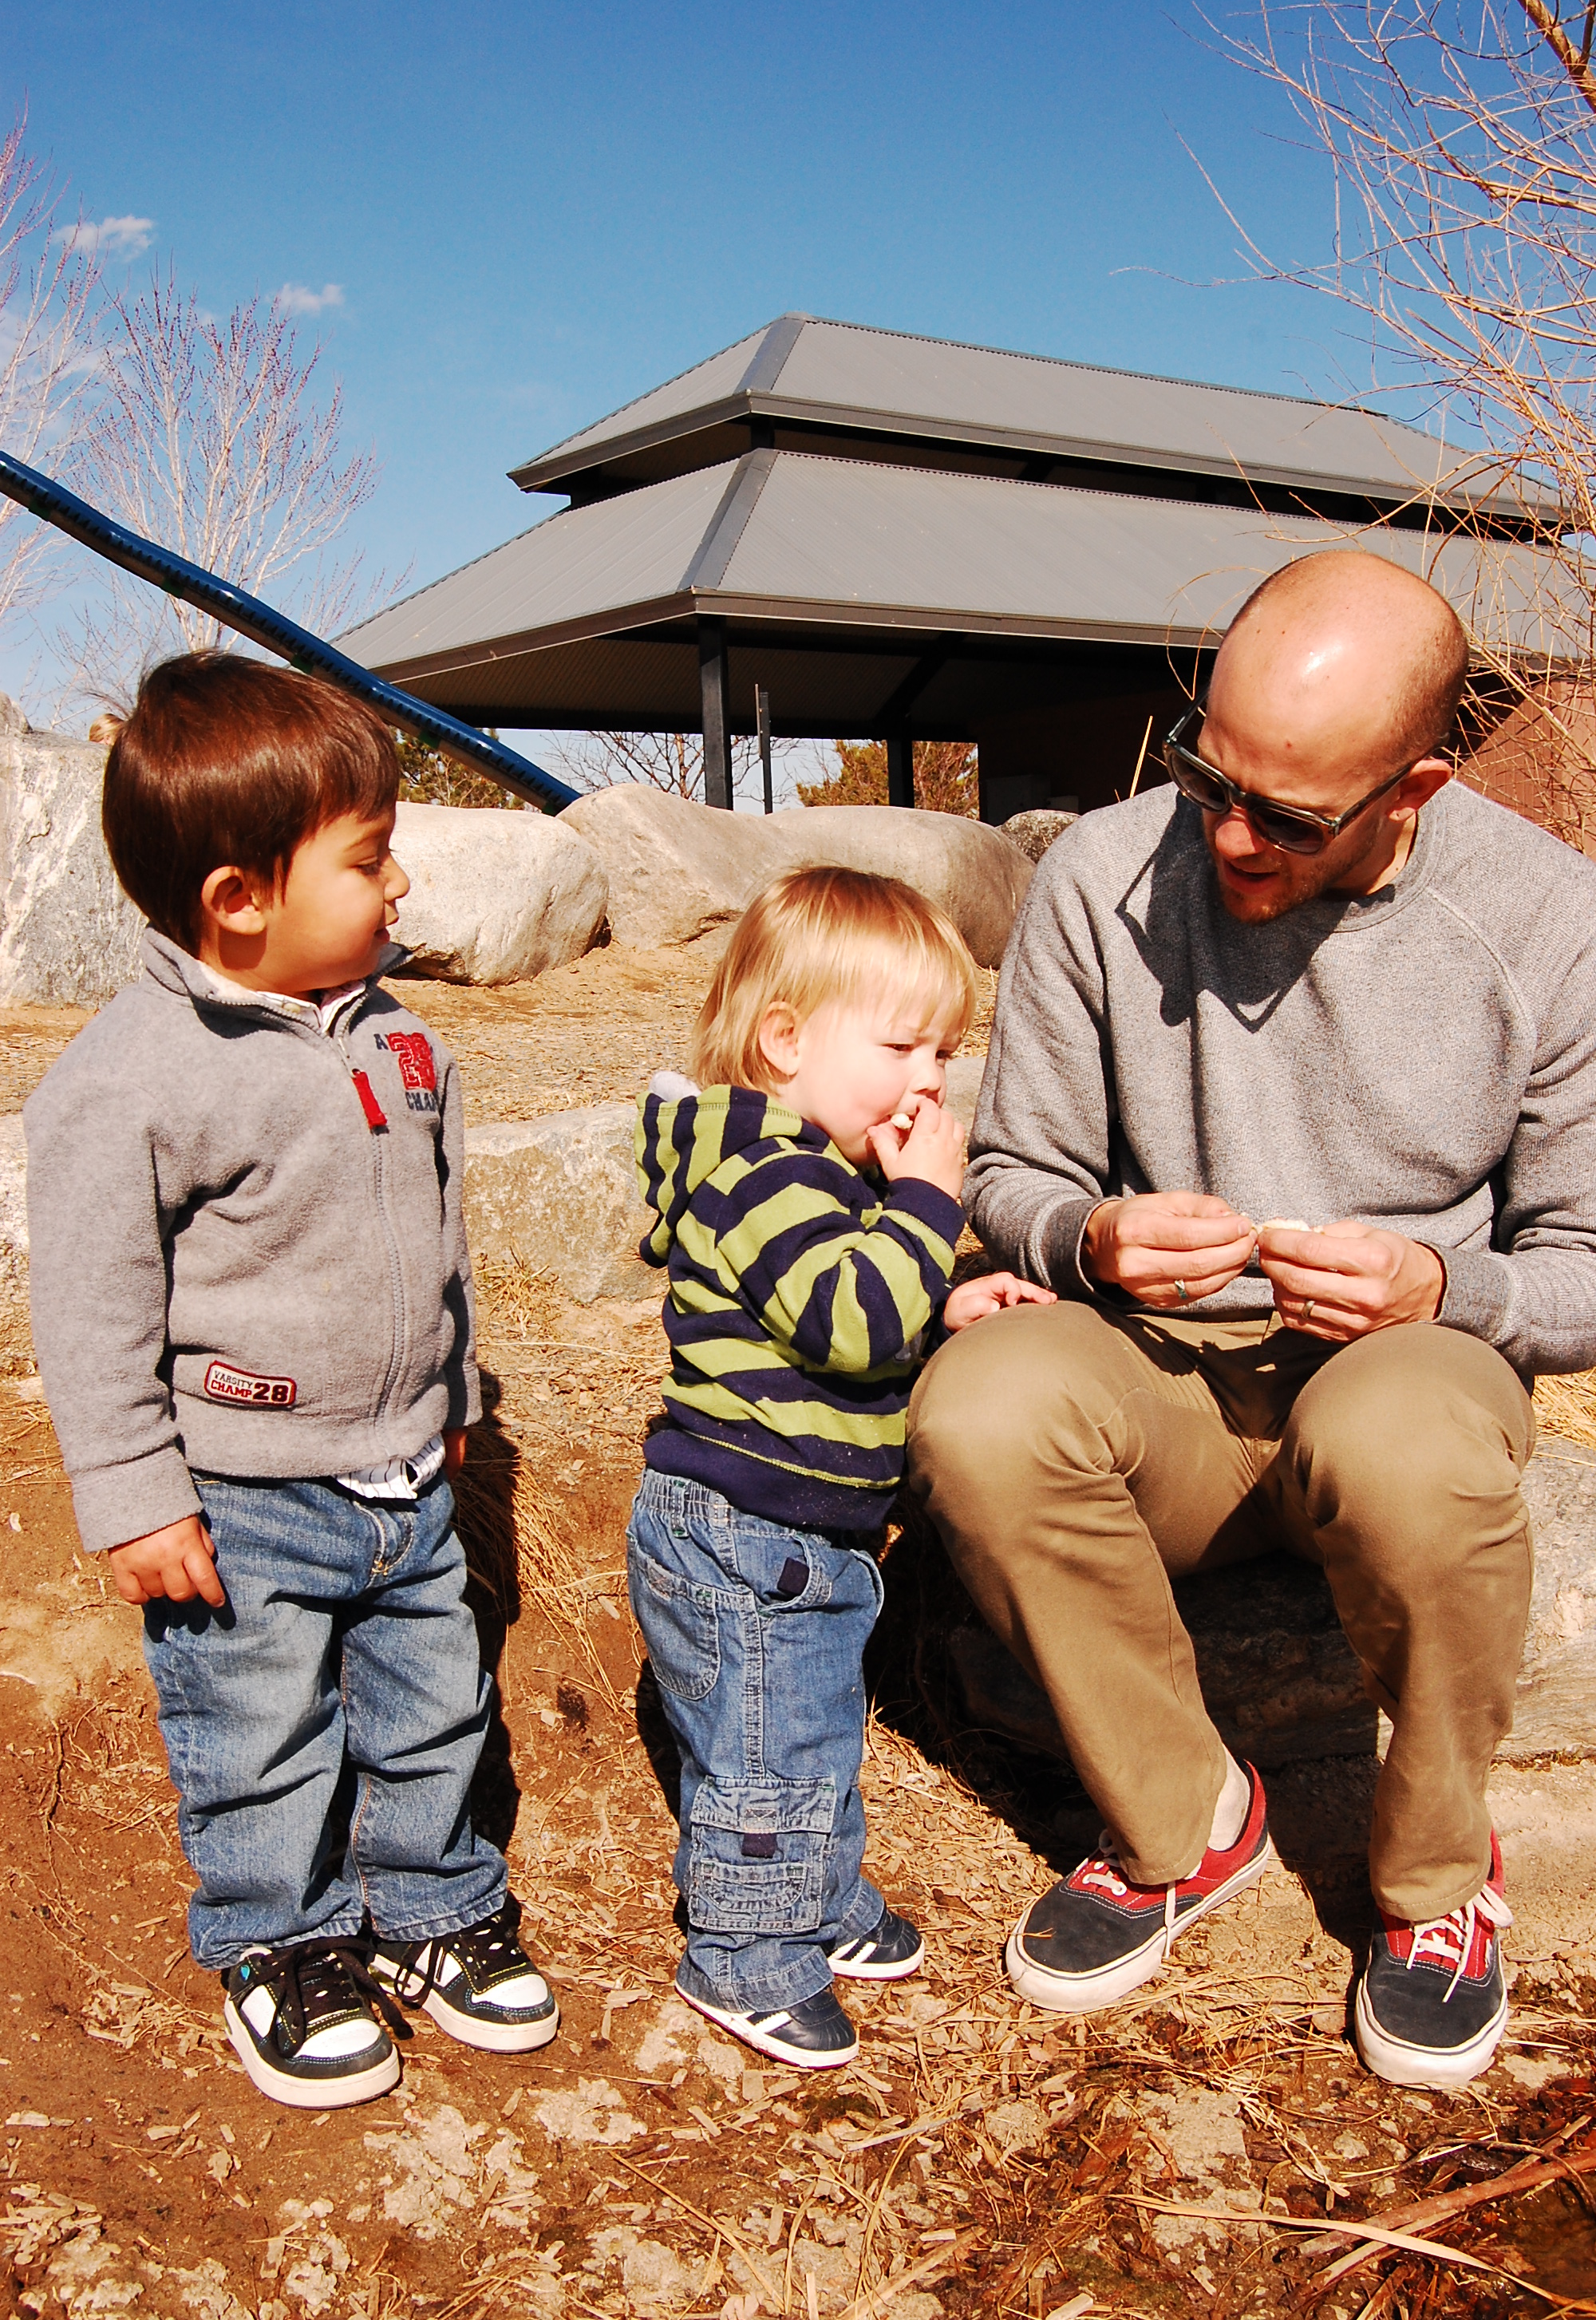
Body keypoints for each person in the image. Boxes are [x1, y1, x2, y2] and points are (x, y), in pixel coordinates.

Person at [908, 548, 1596, 2090]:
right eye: (1205, 774)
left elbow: (1586, 1260)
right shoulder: (1100, 873)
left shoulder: (1553, 921)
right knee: (982, 1405)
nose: (1227, 836)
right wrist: (1086, 1237)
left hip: (1399, 1373)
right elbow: (1012, 1174)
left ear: (1413, 789)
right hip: (1156, 1374)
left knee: (1413, 1441)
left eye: (1287, 817)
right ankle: (1187, 1823)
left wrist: (1447, 1290)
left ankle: (1436, 1883)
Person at [24, 650, 559, 2110]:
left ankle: (433, 1909)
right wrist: (134, 1496)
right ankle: (282, 1941)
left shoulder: (401, 1038)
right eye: (369, 860)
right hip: (244, 1494)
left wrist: (453, 1401)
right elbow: (91, 1305)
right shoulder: (131, 1079)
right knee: (259, 1729)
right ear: (239, 899)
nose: (400, 886)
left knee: (433, 1702)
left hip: (405, 1476)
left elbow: (438, 1240)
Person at [629, 868, 1053, 2069]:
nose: (931, 1081)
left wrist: (943, 1302)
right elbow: (848, 1321)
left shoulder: (820, 1176)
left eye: (944, 1054)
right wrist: (926, 1206)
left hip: (795, 1533)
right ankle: (745, 1954)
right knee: (765, 1753)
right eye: (902, 1047)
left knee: (810, 1729)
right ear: (784, 1040)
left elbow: (843, 1325)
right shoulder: (760, 1172)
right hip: (741, 1530)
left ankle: (816, 1896)